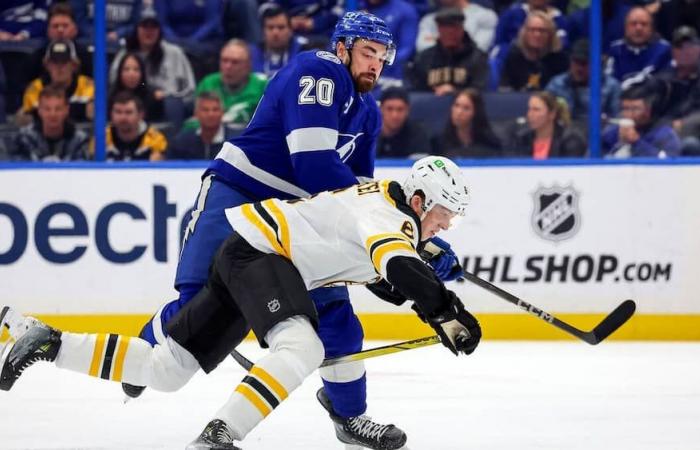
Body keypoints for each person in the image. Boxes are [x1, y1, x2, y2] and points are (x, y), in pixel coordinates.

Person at [125, 12, 460, 450]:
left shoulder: (369, 114)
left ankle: (350, 417)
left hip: (297, 219)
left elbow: (358, 202)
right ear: (343, 49)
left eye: (382, 57)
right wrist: (408, 239)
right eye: (367, 53)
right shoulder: (318, 70)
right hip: (240, 192)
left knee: (336, 318)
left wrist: (419, 242)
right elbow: (314, 163)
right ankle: (143, 351)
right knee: (198, 307)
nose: (375, 65)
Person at [0, 156, 482, 450]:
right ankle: (219, 435)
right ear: (420, 199)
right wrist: (447, 311)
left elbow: (386, 274)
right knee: (302, 348)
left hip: (243, 252)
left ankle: (50, 343)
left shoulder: (382, 204)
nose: (445, 227)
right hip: (261, 256)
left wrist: (424, 290)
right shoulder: (387, 216)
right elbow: (397, 264)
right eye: (446, 217)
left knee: (167, 370)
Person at [110, 7, 197, 126]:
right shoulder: (125, 53)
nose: (149, 31)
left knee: (172, 103)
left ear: (160, 30)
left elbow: (188, 89)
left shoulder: (174, 53)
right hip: (135, 100)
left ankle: (172, 136)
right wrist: (148, 91)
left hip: (165, 104)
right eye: (144, 27)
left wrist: (166, 94)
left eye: (153, 27)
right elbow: (115, 84)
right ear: (137, 29)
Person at [189, 39, 267, 129]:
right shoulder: (208, 83)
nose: (228, 66)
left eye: (235, 62)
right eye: (224, 61)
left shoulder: (262, 86)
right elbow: (196, 121)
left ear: (248, 65)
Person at [408, 7, 489, 94]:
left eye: (454, 28)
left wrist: (455, 92)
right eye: (445, 28)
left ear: (461, 29)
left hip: (464, 105)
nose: (450, 33)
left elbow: (480, 91)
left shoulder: (478, 58)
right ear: (439, 30)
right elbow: (416, 92)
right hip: (431, 105)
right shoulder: (424, 58)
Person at [17, 39, 94, 126]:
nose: (59, 67)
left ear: (74, 65)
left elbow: (92, 113)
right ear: (47, 65)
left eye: (64, 62)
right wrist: (81, 109)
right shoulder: (35, 88)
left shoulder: (88, 86)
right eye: (55, 62)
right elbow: (27, 119)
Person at [545, 39, 622, 120]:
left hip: (598, 130)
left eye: (584, 63)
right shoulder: (557, 84)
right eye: (576, 62)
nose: (579, 68)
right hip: (564, 130)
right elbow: (545, 110)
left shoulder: (611, 87)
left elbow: (616, 119)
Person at [10, 85, 89, 161]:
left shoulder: (80, 139)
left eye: (58, 109)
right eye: (47, 109)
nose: (52, 114)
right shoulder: (24, 138)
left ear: (66, 110)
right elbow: (18, 169)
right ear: (39, 110)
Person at [602, 83, 681, 158]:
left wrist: (637, 142)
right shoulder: (612, 133)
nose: (629, 114)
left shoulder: (664, 135)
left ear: (648, 110)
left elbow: (667, 164)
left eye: (635, 109)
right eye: (625, 109)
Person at [497, 10, 568, 92]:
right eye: (532, 30)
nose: (537, 35)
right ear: (525, 33)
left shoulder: (560, 60)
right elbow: (504, 90)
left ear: (550, 35)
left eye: (542, 31)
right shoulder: (514, 57)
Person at [505, 91, 587, 158]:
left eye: (536, 110)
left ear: (552, 114)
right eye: (529, 109)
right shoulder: (521, 139)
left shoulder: (570, 141)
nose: (529, 114)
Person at [605, 6, 672, 89]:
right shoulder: (615, 50)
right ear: (625, 28)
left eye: (644, 24)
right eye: (633, 24)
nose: (639, 28)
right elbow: (608, 84)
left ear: (652, 28)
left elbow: (666, 83)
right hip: (620, 99)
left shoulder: (664, 50)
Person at [91, 91, 167, 161]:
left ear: (141, 115)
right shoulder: (100, 139)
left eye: (128, 112)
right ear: (111, 114)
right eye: (118, 112)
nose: (123, 117)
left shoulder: (156, 140)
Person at [167, 92, 239, 160]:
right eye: (205, 110)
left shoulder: (236, 143)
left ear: (222, 113)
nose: (211, 114)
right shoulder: (182, 142)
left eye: (215, 110)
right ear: (196, 114)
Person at [433, 88, 502, 158]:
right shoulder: (438, 142)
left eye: (466, 108)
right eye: (456, 105)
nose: (459, 112)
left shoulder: (490, 143)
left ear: (476, 112)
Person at [416, 0, 497, 53]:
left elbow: (479, 48)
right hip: (434, 70)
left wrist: (436, 40)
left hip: (471, 70)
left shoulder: (485, 16)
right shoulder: (428, 20)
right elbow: (422, 47)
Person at [250, 6, 307, 78]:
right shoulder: (250, 54)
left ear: (290, 30)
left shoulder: (303, 50)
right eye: (270, 27)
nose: (275, 33)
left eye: (281, 27)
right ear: (263, 31)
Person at [376, 87, 432, 158]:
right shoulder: (367, 133)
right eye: (389, 109)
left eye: (400, 109)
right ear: (381, 109)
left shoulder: (417, 134)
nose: (395, 115)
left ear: (407, 110)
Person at [108, 52, 164, 122]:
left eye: (136, 69)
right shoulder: (110, 96)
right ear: (120, 73)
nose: (131, 74)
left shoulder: (153, 95)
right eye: (126, 69)